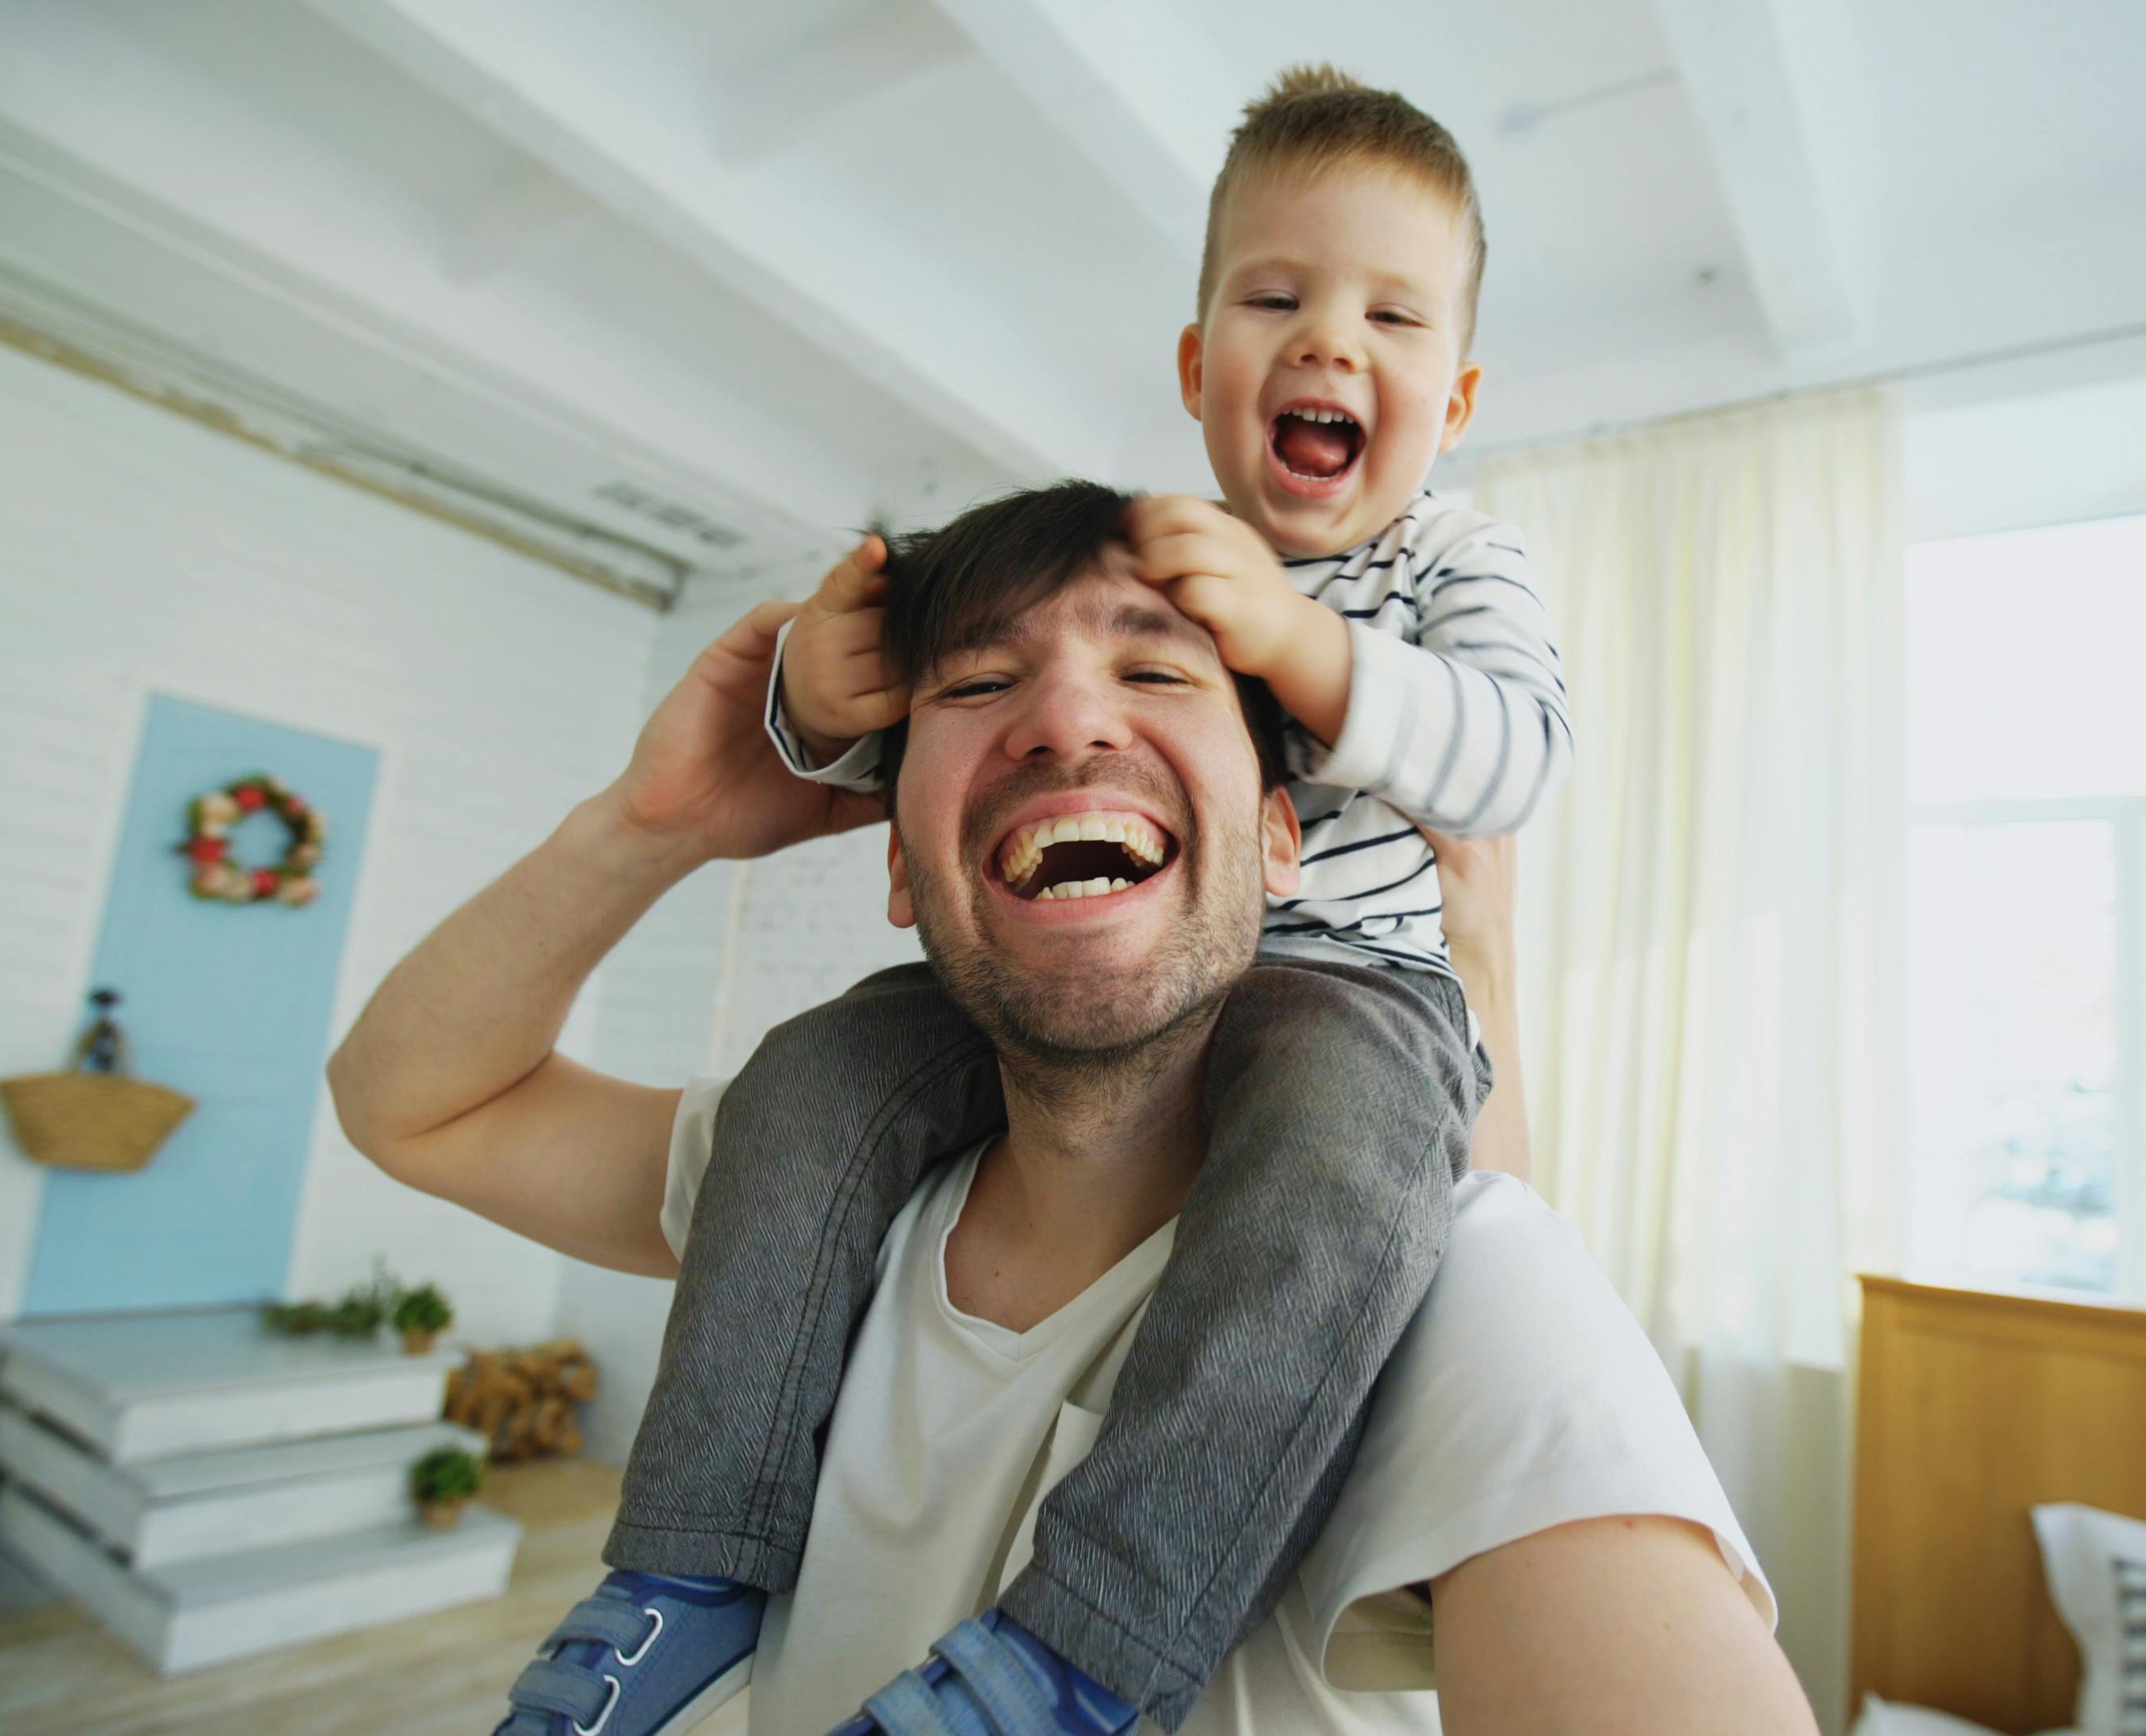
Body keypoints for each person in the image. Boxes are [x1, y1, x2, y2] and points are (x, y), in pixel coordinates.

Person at [327, 484, 1816, 1735]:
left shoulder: (1451, 1287)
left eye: (1158, 673)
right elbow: (417, 1107)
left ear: (1284, 840)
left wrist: (1477, 948)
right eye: (976, 685)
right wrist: (652, 822)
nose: (1062, 722)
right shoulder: (805, 1189)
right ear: (903, 869)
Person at [545, 65, 1572, 1734]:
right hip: (1104, 973)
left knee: (1325, 1168)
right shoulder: (1146, 557)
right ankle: (686, 1569)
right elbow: (938, 745)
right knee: (810, 1079)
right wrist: (815, 685)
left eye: (1390, 317)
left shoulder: (1454, 563)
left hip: (1349, 991)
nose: (1329, 342)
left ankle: (1079, 1643)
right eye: (1276, 296)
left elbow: (1518, 758)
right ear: (1196, 366)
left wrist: (1298, 641)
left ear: (1451, 400)